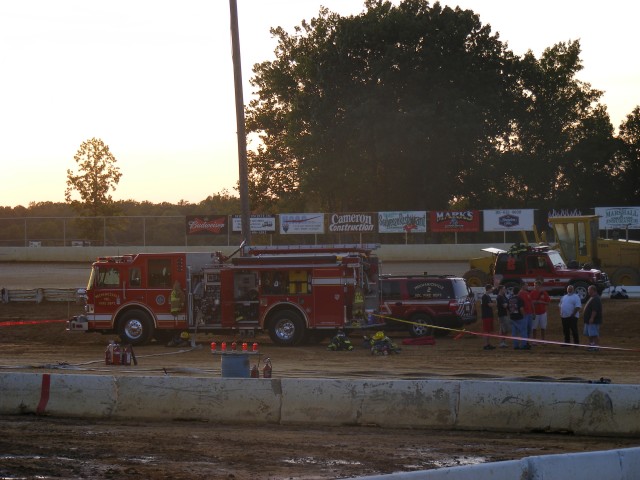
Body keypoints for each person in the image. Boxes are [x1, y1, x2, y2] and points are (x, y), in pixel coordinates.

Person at [583, 285, 603, 351]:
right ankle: (592, 345)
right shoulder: (592, 297)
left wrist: (592, 318)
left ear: (593, 290)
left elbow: (595, 310)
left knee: (594, 334)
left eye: (589, 290)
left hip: (593, 321)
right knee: (589, 334)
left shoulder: (596, 298)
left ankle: (596, 346)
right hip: (588, 321)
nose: (588, 291)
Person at [480, 284, 497, 350]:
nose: (492, 290)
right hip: (486, 316)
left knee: (488, 331)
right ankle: (485, 344)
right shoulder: (485, 297)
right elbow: (490, 304)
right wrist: (495, 304)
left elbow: (491, 304)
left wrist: (493, 304)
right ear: (489, 289)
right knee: (486, 331)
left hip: (488, 315)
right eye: (491, 289)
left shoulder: (487, 296)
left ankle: (488, 344)